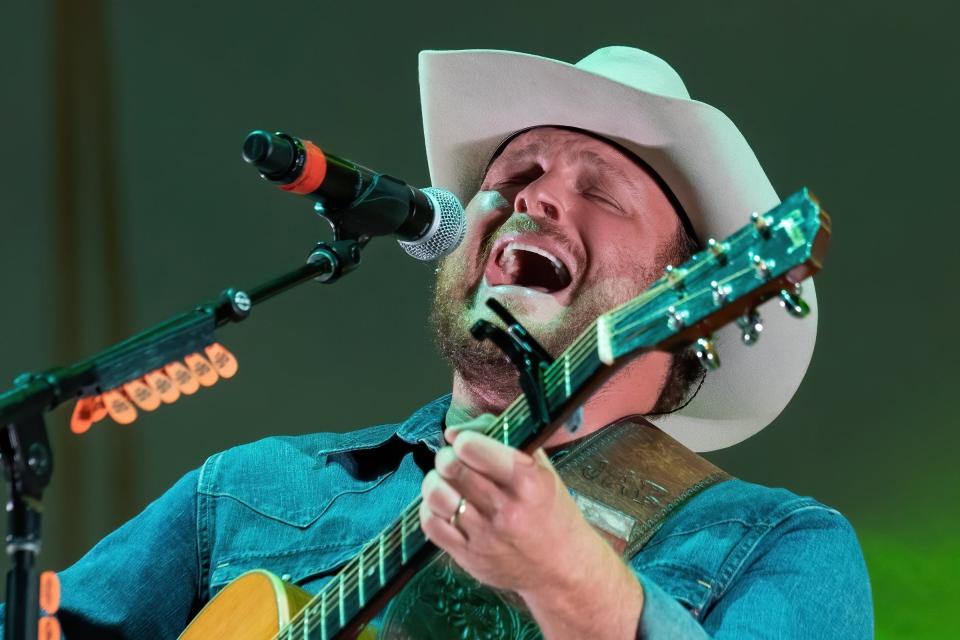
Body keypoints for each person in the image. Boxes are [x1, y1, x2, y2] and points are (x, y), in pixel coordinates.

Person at [0, 47, 873, 639]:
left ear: (687, 301)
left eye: (599, 192)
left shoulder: (774, 545)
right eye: (514, 177)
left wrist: (578, 588)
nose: (534, 200)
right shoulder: (247, 495)